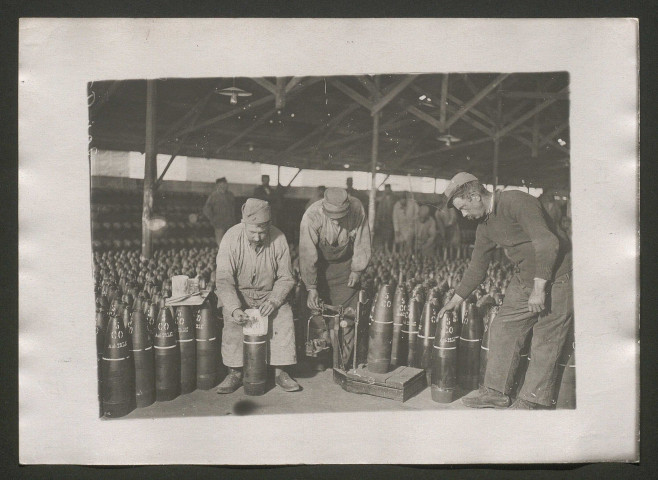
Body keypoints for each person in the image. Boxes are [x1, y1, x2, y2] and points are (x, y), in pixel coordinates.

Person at [438, 172, 573, 409]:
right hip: (525, 278)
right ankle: (495, 392)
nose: (464, 215)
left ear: (475, 196)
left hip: (560, 277)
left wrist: (539, 289)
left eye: (463, 208)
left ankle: (531, 401)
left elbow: (548, 242)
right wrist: (456, 299)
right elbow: (477, 266)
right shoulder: (485, 227)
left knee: (545, 339)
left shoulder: (517, 202)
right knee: (502, 327)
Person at [215, 198, 300, 393]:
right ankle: (234, 372)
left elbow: (286, 277)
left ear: (269, 225)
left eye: (262, 232)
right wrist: (235, 308)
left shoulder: (279, 239)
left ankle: (280, 371)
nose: (258, 237)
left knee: (284, 316)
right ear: (244, 224)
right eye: (253, 232)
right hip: (240, 293)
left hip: (268, 294)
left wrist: (275, 300)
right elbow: (223, 279)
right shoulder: (231, 237)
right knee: (232, 319)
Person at [299, 187, 372, 367]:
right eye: (333, 218)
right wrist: (311, 287)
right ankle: (320, 357)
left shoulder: (357, 209)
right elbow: (307, 255)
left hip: (345, 270)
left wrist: (357, 270)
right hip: (320, 269)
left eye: (341, 217)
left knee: (348, 316)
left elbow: (363, 241)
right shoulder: (311, 216)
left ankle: (342, 361)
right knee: (316, 313)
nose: (337, 222)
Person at [202, 177, 237, 248]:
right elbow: (206, 209)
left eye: (226, 184)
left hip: (230, 222)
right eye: (222, 184)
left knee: (230, 241)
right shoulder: (214, 195)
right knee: (220, 241)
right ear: (218, 185)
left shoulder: (231, 195)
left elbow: (233, 208)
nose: (225, 186)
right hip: (219, 222)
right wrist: (212, 219)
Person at [435, 194, 462, 259]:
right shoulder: (437, 212)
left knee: (455, 246)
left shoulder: (450, 208)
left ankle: (456, 260)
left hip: (453, 229)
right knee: (446, 247)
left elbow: (454, 218)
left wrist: (449, 226)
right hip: (445, 231)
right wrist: (443, 233)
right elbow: (440, 224)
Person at [375, 184, 396, 252]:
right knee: (383, 236)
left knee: (390, 236)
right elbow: (379, 210)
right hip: (383, 221)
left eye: (388, 189)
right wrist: (378, 220)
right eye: (386, 189)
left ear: (390, 190)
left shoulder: (393, 199)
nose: (387, 191)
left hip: (391, 221)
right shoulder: (382, 199)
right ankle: (383, 250)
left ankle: (389, 250)